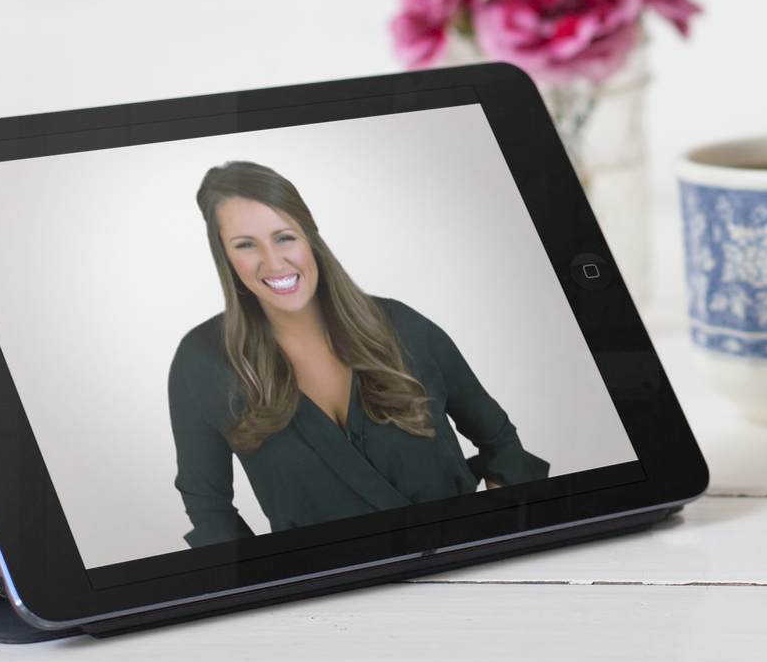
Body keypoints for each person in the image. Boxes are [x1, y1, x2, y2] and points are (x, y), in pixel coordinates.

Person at [168, 161, 547, 547]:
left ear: (309, 237)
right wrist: (270, 579)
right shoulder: (201, 362)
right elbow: (209, 510)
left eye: (284, 237)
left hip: (464, 566)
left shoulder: (403, 327)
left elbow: (500, 443)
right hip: (334, 582)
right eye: (246, 245)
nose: (274, 261)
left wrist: (496, 543)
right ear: (225, 257)